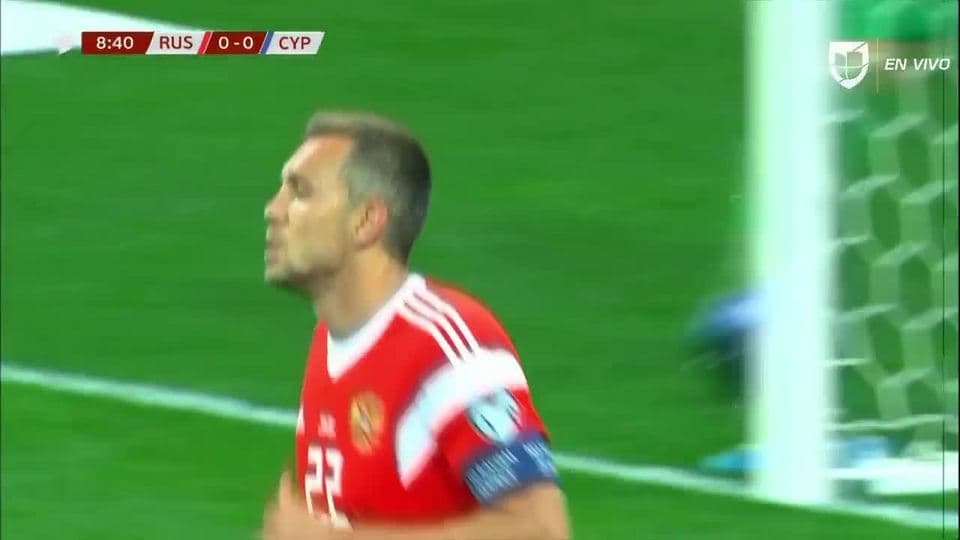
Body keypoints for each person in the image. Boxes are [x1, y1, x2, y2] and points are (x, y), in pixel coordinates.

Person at [261, 111, 570, 540]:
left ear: (366, 221)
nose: (273, 210)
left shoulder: (446, 347)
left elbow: (541, 530)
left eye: (300, 192)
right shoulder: (331, 342)